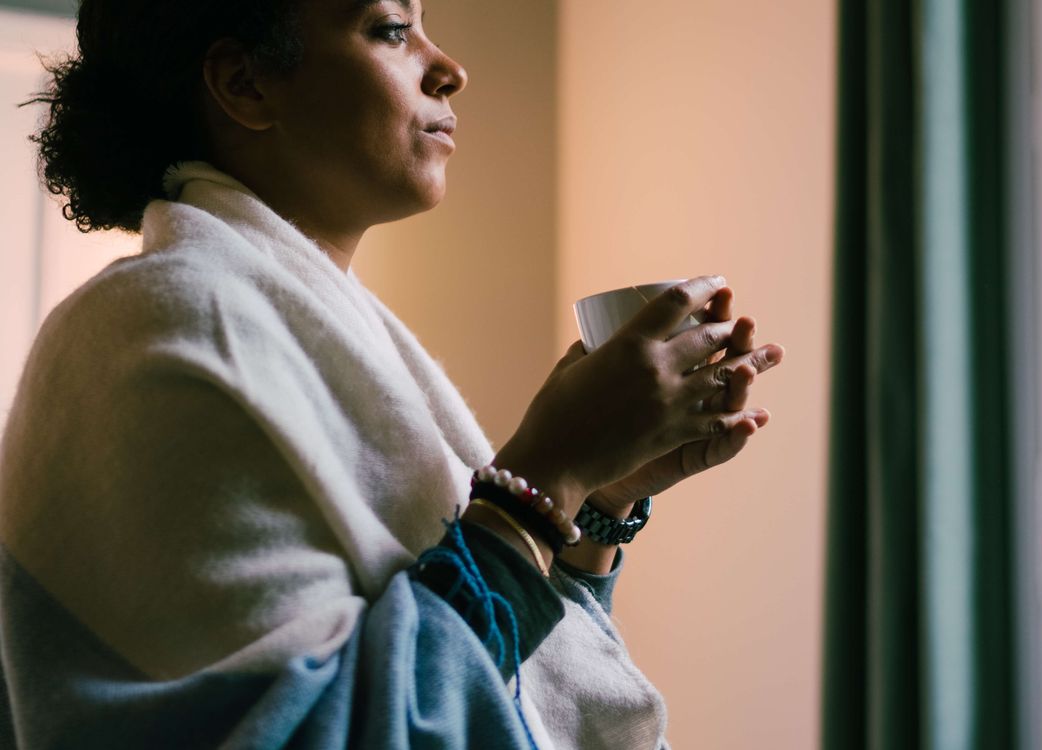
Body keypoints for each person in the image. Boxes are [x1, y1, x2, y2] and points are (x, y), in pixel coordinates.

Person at [0, 0, 784, 747]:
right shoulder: (166, 321)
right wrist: (550, 475)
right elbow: (316, 732)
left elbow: (487, 680)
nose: (449, 69)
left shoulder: (289, 327)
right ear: (246, 83)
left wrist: (599, 504)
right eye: (391, 28)